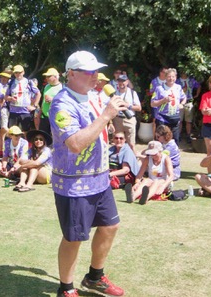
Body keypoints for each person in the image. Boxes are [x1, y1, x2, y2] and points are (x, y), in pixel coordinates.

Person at [49, 50, 127, 297]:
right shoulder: (62, 103)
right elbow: (75, 144)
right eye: (89, 72)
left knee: (110, 226)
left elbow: (100, 126)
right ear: (71, 74)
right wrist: (105, 116)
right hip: (74, 183)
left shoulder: (93, 96)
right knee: (74, 237)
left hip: (99, 178)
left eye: (97, 71)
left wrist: (109, 118)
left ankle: (94, 277)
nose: (96, 76)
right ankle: (66, 289)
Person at [125, 141, 174, 205]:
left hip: (164, 182)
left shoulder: (166, 159)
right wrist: (137, 183)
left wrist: (163, 186)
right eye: (151, 154)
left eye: (154, 154)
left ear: (160, 151)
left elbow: (171, 176)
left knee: (156, 182)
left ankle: (145, 198)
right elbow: (140, 174)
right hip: (151, 181)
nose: (153, 156)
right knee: (146, 180)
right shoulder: (147, 159)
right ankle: (133, 197)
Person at [6, 64, 41, 132]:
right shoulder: (11, 82)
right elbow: (6, 96)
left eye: (20, 72)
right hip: (13, 111)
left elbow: (38, 93)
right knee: (12, 131)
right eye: (16, 72)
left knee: (26, 131)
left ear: (23, 72)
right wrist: (10, 98)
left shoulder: (29, 82)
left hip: (25, 111)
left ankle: (26, 139)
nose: (18, 74)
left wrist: (34, 106)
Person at [111, 74, 141, 149]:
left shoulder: (132, 93)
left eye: (123, 81)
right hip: (117, 119)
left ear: (127, 82)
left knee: (131, 144)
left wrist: (128, 106)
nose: (121, 83)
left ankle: (132, 156)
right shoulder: (114, 93)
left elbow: (139, 108)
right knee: (118, 143)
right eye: (119, 81)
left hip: (129, 119)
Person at [38, 67, 63, 135]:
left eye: (49, 76)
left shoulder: (62, 87)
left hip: (55, 117)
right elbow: (43, 100)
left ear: (55, 77)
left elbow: (64, 102)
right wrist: (40, 112)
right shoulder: (47, 86)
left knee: (55, 137)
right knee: (43, 136)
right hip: (44, 116)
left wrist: (52, 100)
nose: (46, 78)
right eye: (46, 76)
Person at [178, 71, 201, 142]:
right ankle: (178, 135)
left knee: (189, 121)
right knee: (179, 120)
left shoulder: (191, 80)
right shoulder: (177, 81)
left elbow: (199, 86)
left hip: (189, 102)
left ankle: (188, 135)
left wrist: (197, 95)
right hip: (179, 102)